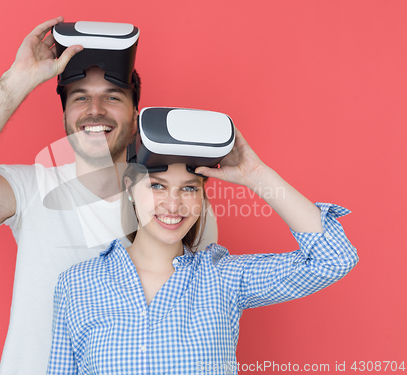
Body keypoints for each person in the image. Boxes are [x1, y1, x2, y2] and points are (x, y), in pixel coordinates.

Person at [0, 16, 219, 375]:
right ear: (64, 113)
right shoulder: (31, 189)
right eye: (80, 98)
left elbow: (202, 327)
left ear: (136, 113)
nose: (95, 111)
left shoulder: (176, 208)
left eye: (112, 96)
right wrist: (19, 79)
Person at [46, 126, 359, 374]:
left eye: (189, 188)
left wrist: (257, 175)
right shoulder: (76, 285)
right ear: (129, 188)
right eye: (157, 185)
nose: (173, 204)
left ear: (201, 197)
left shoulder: (223, 278)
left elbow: (333, 259)